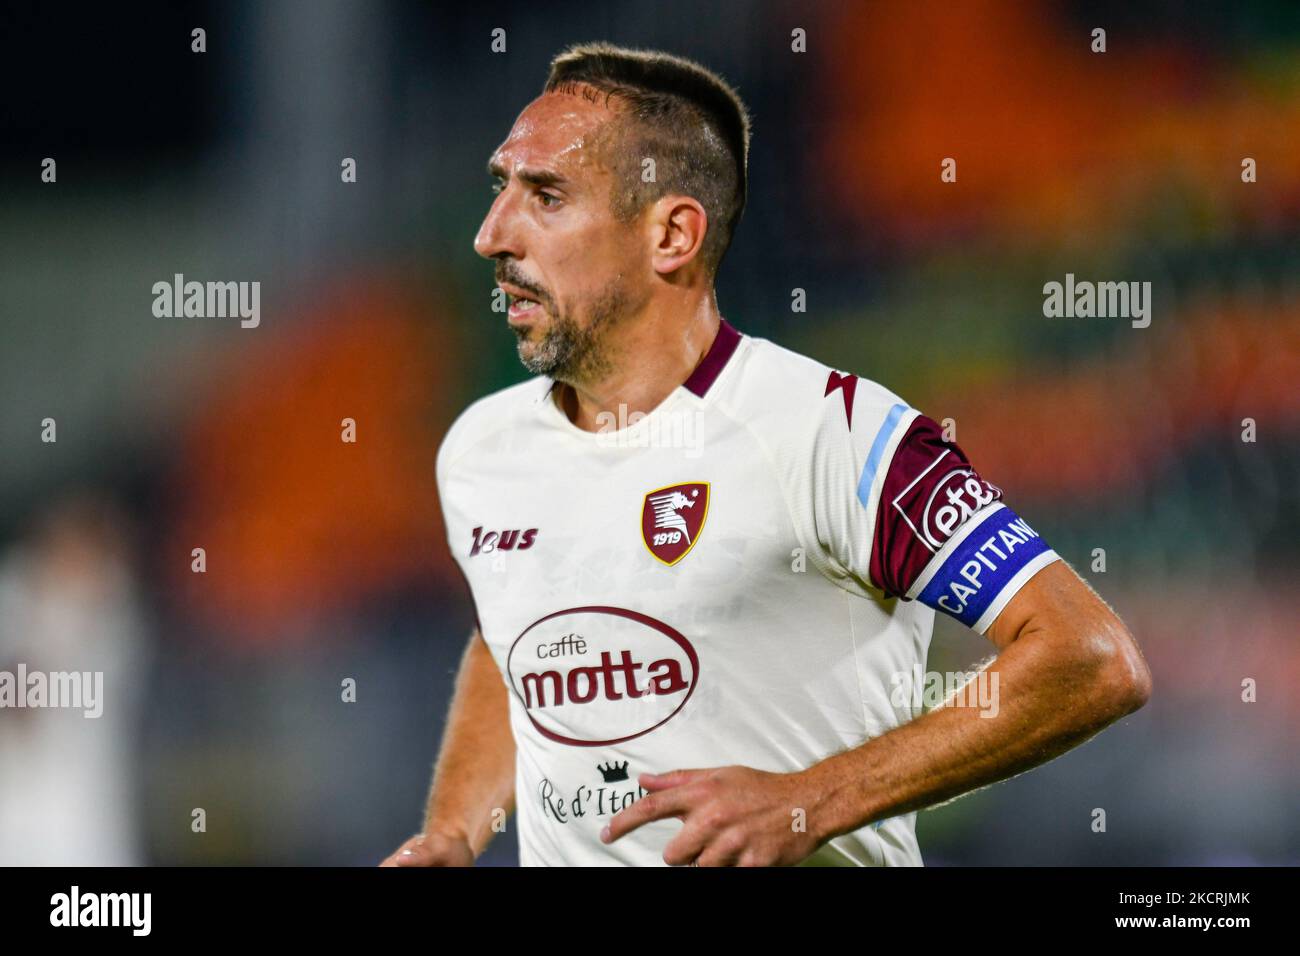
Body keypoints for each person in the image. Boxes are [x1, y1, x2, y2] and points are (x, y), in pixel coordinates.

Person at [381, 42, 1150, 867]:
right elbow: (513, 640)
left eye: (547, 196)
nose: (490, 235)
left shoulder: (838, 432)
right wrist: (455, 833)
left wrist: (807, 801)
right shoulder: (482, 451)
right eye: (502, 188)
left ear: (671, 234)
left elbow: (1089, 656)